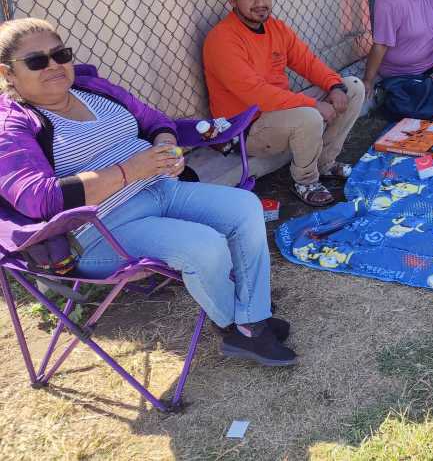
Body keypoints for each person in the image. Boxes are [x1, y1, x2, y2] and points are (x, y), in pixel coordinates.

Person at [0, 18, 297, 366]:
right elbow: (38, 198)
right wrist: (129, 171)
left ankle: (250, 319)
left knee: (245, 206)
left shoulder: (92, 88)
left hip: (159, 188)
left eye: (60, 54)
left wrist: (167, 148)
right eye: (37, 61)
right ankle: (239, 327)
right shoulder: (14, 124)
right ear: (8, 74)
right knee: (204, 245)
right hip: (102, 230)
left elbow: (157, 122)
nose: (54, 66)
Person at [203, 0, 364, 207]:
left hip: (278, 113)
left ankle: (324, 163)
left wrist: (334, 85)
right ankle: (305, 180)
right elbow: (256, 94)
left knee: (352, 87)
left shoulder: (277, 28)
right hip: (244, 128)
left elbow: (308, 63)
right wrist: (313, 104)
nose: (260, 3)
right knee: (309, 116)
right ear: (232, 0)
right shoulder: (222, 39)